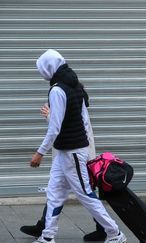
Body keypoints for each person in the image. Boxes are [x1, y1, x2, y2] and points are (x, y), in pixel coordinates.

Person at [28, 49, 126, 243]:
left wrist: (40, 153)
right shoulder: (75, 85)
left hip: (71, 152)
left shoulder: (57, 90)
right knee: (55, 193)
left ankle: (115, 233)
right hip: (69, 151)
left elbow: (55, 127)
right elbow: (79, 119)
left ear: (48, 68)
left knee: (85, 194)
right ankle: (47, 236)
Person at [20, 103, 106, 241]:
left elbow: (64, 127)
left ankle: (107, 229)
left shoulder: (71, 99)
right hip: (72, 155)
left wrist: (49, 116)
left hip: (75, 155)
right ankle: (43, 226)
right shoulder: (74, 97)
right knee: (57, 190)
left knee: (86, 193)